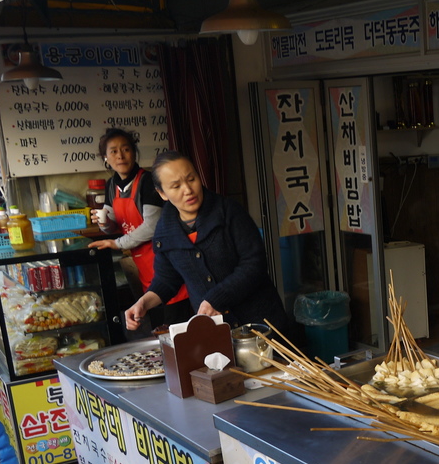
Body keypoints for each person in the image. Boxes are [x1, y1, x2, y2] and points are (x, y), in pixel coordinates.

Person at [124, 150, 293, 336]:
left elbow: (254, 264)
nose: (188, 190)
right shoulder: (165, 232)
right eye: (176, 186)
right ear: (162, 193)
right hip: (218, 334)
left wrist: (216, 299)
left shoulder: (228, 212)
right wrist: (143, 303)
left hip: (263, 326)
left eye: (191, 179)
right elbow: (166, 279)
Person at [87, 129, 191, 325]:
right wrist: (104, 223)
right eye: (114, 151)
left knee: (178, 325)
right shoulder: (111, 185)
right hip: (144, 266)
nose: (120, 156)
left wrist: (117, 243)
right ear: (106, 158)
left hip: (166, 261)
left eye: (126, 149)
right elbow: (112, 223)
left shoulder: (148, 182)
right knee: (159, 326)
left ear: (134, 152)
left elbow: (152, 226)